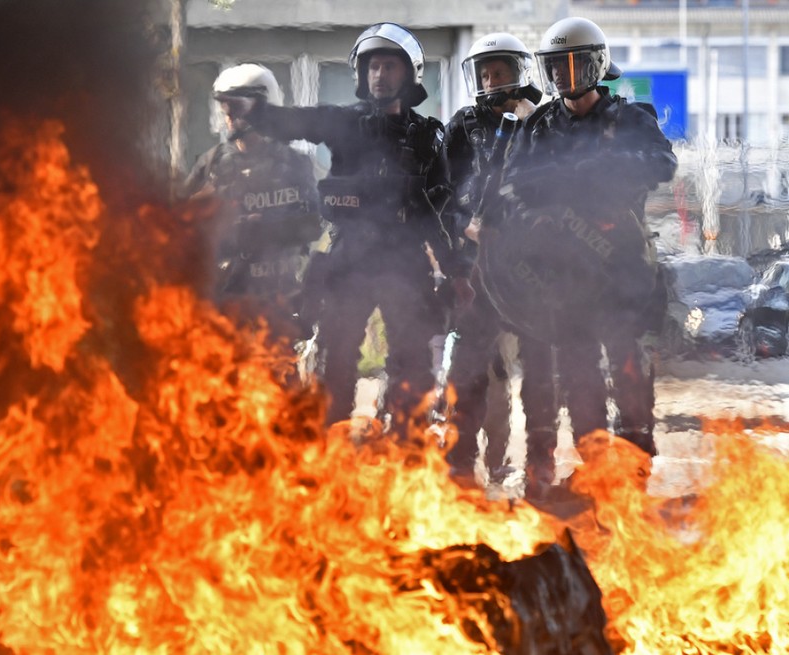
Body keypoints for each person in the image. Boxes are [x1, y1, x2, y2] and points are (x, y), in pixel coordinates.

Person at [479, 17, 677, 500]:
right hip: (562, 275)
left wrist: (589, 172)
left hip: (622, 268)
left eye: (576, 64)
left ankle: (635, 468)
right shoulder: (541, 124)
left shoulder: (628, 119)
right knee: (578, 371)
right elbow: (513, 185)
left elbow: (662, 163)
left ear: (596, 65)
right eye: (557, 67)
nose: (567, 76)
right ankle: (596, 468)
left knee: (628, 363)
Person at [225, 24, 457, 435]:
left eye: (389, 66)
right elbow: (299, 121)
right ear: (361, 74)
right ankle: (330, 446)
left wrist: (456, 269)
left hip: (405, 262)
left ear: (409, 74)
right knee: (336, 356)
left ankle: (405, 443)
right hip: (350, 258)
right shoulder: (344, 122)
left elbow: (442, 208)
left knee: (411, 360)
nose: (379, 76)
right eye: (372, 67)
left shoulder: (428, 136)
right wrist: (255, 111)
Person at [442, 33, 542, 484]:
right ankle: (461, 461)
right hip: (476, 263)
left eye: (498, 72)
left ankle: (520, 461)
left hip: (528, 269)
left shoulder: (539, 123)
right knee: (471, 370)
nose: (490, 81)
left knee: (534, 367)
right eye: (483, 73)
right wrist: (464, 224)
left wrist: (530, 120)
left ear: (517, 74)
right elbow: (442, 186)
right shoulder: (464, 124)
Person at [182, 63, 322, 337]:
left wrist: (267, 229)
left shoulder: (294, 164)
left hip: (278, 299)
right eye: (226, 109)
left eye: (238, 107)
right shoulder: (211, 164)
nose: (230, 117)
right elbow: (184, 228)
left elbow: (313, 225)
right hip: (225, 301)